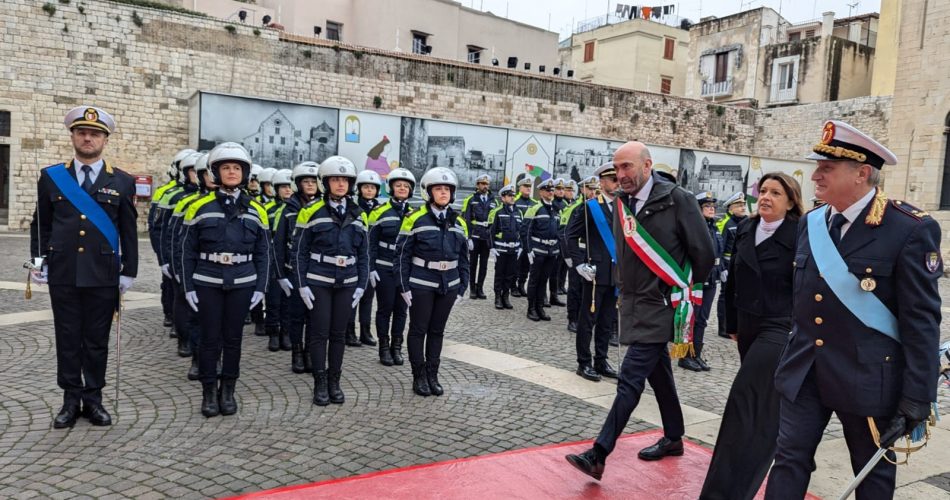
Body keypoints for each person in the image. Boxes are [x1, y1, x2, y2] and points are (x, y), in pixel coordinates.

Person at [765, 121, 942, 500]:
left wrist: (917, 396)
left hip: (868, 378)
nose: (815, 175)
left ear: (861, 173)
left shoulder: (908, 229)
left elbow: (922, 322)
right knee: (788, 459)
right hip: (806, 371)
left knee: (872, 474)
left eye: (826, 169)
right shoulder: (812, 222)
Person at [565, 141, 714, 479]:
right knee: (659, 373)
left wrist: (678, 293)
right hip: (632, 302)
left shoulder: (678, 200)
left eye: (627, 167)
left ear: (647, 165)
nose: (621, 175)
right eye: (616, 169)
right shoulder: (622, 203)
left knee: (630, 377)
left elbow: (703, 254)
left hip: (663, 305)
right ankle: (674, 437)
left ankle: (599, 452)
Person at [29, 105, 139, 429]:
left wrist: (129, 270)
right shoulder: (51, 177)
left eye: (94, 134)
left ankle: (93, 400)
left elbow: (129, 230)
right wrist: (38, 262)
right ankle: (69, 400)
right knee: (67, 338)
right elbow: (41, 225)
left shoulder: (122, 181)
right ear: (73, 136)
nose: (87, 137)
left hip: (103, 275)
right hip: (62, 273)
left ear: (105, 140)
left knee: (95, 340)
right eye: (82, 132)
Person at [700, 172, 803, 500]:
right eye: (763, 191)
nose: (766, 197)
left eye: (776, 192)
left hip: (779, 325)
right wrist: (731, 323)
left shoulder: (801, 233)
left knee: (745, 401)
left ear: (790, 200)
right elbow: (734, 281)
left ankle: (725, 491)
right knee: (762, 406)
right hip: (747, 325)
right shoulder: (746, 227)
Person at [181, 142, 270, 418]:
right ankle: (209, 392)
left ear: (245, 174)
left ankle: (228, 390)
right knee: (210, 339)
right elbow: (186, 251)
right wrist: (188, 286)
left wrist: (260, 287)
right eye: (226, 168)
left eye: (237, 168)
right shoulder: (199, 207)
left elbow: (263, 253)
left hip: (242, 282)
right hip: (207, 280)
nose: (232, 172)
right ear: (215, 172)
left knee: (233, 340)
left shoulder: (257, 210)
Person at [294, 156, 369, 406]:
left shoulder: (359, 215)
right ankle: (320, 382)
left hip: (347, 282)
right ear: (325, 183)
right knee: (319, 333)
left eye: (344, 180)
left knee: (338, 334)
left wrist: (361, 284)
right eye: (335, 180)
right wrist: (302, 284)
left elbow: (364, 254)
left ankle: (335, 381)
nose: (340, 184)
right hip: (319, 281)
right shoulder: (310, 211)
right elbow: (299, 251)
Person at [394, 167, 470, 397]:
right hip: (421, 283)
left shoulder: (459, 223)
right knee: (418, 330)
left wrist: (462, 287)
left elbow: (465, 259)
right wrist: (403, 286)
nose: (444, 193)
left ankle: (432, 375)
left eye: (447, 189)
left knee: (437, 331)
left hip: (448, 285)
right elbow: (401, 256)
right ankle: (418, 377)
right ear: (428, 192)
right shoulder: (414, 219)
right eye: (438, 189)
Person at [567, 164, 620, 382]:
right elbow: (569, 235)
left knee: (607, 321)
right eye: (613, 179)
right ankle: (583, 362)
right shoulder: (590, 207)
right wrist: (579, 265)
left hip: (614, 274)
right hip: (594, 273)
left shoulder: (621, 207)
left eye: (618, 179)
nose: (617, 183)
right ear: (602, 182)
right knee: (588, 320)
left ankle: (601, 360)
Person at [169, 152, 216, 381]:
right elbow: (177, 240)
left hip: (223, 274)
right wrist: (178, 270)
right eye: (206, 172)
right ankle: (198, 359)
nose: (212, 176)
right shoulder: (189, 203)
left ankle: (217, 360)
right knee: (197, 319)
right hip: (197, 271)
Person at [275, 162, 321, 374]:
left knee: (314, 316)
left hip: (316, 272)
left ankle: (311, 353)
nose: (310, 185)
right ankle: (296, 352)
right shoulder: (287, 210)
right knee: (296, 316)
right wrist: (281, 275)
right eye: (306, 181)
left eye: (313, 181)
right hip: (293, 271)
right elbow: (278, 245)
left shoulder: (323, 208)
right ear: (298, 184)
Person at [368, 168, 416, 366]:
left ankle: (397, 346)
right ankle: (384, 347)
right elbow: (369, 244)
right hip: (384, 268)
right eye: (398, 185)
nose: (402, 188)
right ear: (391, 188)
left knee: (402, 310)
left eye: (406, 186)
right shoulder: (379, 212)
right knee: (385, 309)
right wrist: (371, 268)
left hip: (404, 271)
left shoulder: (415, 214)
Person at [159, 151, 202, 358]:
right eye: (192, 171)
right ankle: (184, 338)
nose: (196, 175)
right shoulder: (173, 196)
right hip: (179, 256)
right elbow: (162, 230)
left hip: (204, 261)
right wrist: (164, 259)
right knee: (181, 298)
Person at [679, 192, 724, 372]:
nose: (712, 209)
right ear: (698, 209)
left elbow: (718, 254)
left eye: (713, 206)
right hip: (695, 280)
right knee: (690, 317)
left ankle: (696, 354)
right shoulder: (694, 228)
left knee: (702, 319)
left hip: (711, 279)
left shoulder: (714, 227)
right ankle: (685, 356)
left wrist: (721, 271)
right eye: (707, 206)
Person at [149, 149, 193, 329]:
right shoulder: (166, 193)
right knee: (170, 285)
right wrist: (162, 256)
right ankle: (171, 315)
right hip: (171, 249)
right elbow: (156, 226)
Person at [347, 169, 383, 347]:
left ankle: (365, 331)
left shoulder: (380, 210)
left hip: (371, 260)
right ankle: (349, 331)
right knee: (354, 296)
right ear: (359, 189)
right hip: (355, 259)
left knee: (368, 297)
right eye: (366, 187)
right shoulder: (353, 208)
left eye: (373, 188)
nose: (369, 190)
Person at [263, 169, 294, 352]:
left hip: (288, 260)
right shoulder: (267, 210)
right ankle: (273, 333)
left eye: (290, 187)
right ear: (276, 189)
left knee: (288, 300)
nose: (287, 190)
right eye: (283, 187)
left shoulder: (296, 209)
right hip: (271, 259)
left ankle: (286, 332)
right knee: (273, 298)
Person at [523, 178, 561, 321]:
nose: (550, 192)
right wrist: (528, 250)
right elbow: (525, 231)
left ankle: (540, 307)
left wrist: (557, 249)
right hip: (538, 251)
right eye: (547, 190)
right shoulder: (535, 208)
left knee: (543, 280)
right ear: (541, 192)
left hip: (551, 252)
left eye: (552, 190)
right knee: (534, 280)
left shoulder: (556, 209)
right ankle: (531, 308)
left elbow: (558, 231)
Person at [564, 176, 599, 333]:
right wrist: (569, 257)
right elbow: (566, 234)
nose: (592, 192)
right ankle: (572, 318)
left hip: (592, 254)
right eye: (590, 189)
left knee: (590, 289)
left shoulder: (596, 208)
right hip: (578, 253)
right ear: (583, 189)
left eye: (594, 189)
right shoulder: (576, 208)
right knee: (575, 287)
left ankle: (585, 318)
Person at [716, 191, 748, 339]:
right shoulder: (725, 224)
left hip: (742, 265)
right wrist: (722, 268)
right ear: (730, 208)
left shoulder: (747, 222)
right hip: (728, 264)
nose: (743, 207)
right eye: (739, 205)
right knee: (725, 297)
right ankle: (723, 328)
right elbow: (719, 248)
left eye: (743, 205)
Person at [488, 184, 522, 310]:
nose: (512, 197)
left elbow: (521, 232)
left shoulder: (518, 212)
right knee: (500, 274)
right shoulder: (497, 212)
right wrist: (492, 248)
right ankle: (497, 297)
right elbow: (490, 232)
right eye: (509, 195)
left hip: (513, 250)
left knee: (510, 275)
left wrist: (521, 247)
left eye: (513, 195)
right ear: (503, 198)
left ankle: (505, 296)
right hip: (501, 250)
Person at [462, 173, 495, 300]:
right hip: (475, 236)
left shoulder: (493, 200)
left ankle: (480, 287)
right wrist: (468, 237)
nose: (485, 186)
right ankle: (472, 289)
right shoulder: (471, 199)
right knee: (473, 264)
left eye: (487, 184)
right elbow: (466, 220)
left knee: (484, 264)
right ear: (477, 185)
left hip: (486, 237)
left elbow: (495, 222)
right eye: (482, 184)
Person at [511, 177, 535, 297]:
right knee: (515, 265)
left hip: (528, 240)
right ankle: (513, 286)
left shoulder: (534, 204)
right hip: (516, 239)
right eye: (526, 186)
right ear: (520, 188)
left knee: (526, 265)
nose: (528, 189)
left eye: (530, 187)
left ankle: (521, 284)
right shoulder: (514, 202)